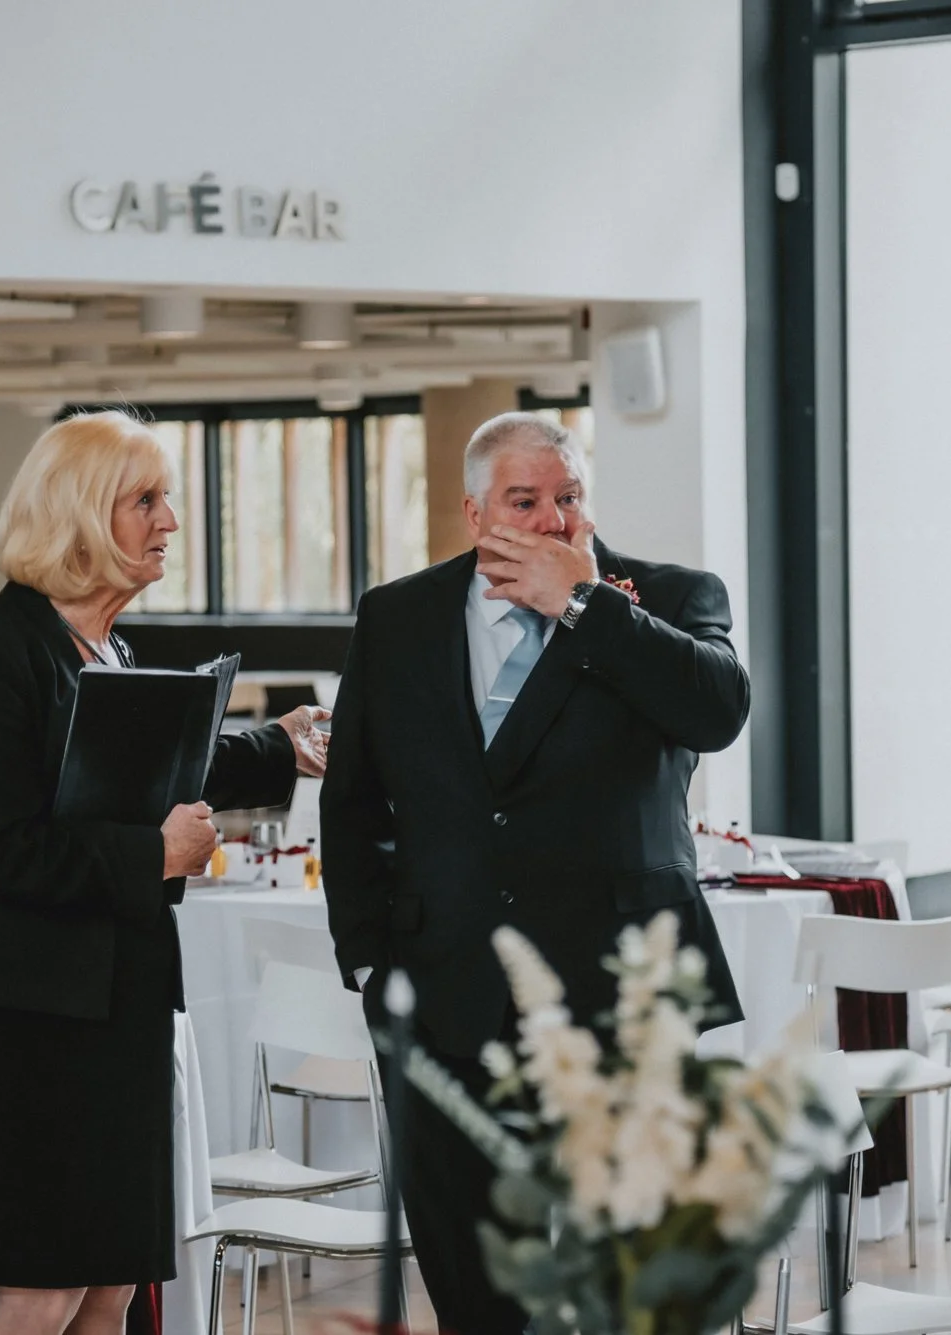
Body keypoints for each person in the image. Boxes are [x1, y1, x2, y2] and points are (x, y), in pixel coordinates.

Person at [321, 411, 748, 1335]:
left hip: (621, 996)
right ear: (476, 513)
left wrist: (588, 605)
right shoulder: (397, 617)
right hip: (443, 998)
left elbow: (716, 710)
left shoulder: (668, 598)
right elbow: (353, 802)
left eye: (569, 496)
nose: (554, 520)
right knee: (476, 1288)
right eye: (526, 501)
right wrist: (369, 959)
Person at [0, 409, 329, 1335]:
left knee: (109, 1281)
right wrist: (153, 853)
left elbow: (165, 754)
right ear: (76, 513)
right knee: (45, 1283)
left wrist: (282, 743)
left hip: (117, 1006)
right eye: (145, 500)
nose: (170, 522)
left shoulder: (108, 651)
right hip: (30, 1017)